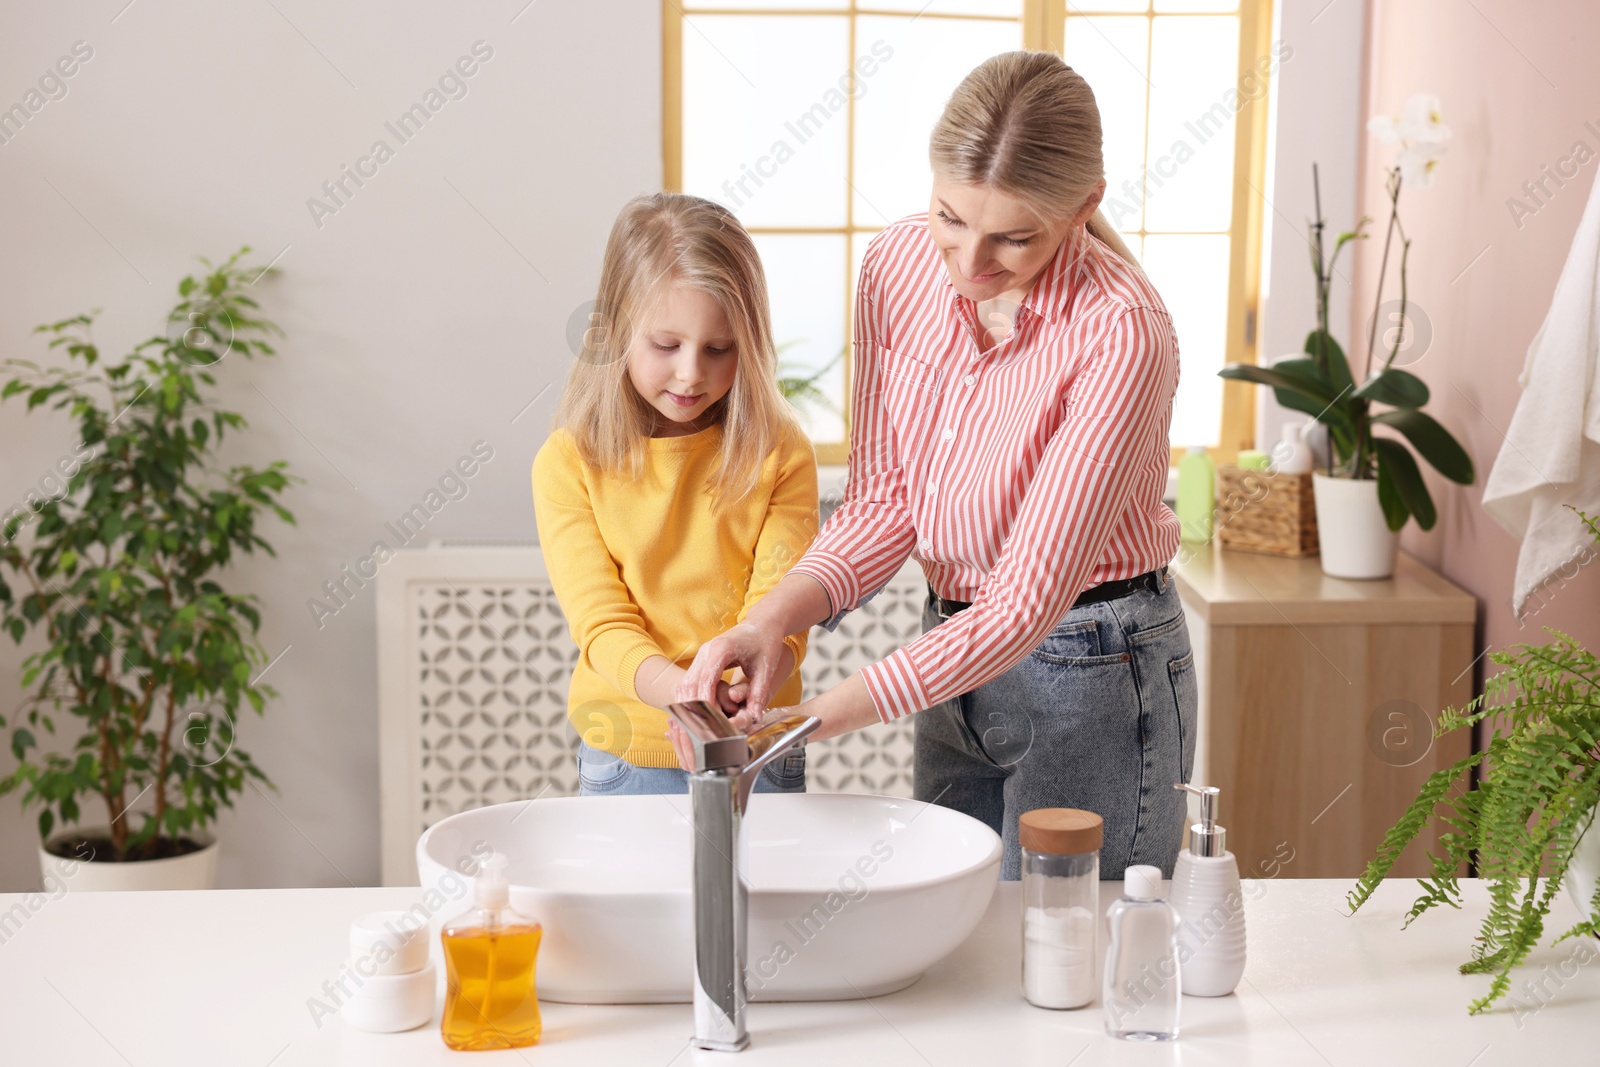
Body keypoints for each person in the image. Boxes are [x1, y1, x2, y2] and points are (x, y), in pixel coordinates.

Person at [677, 52, 1197, 879]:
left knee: (1072, 956)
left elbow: (1023, 602)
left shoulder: (1121, 332)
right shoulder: (896, 267)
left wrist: (816, 716)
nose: (966, 261)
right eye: (950, 216)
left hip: (1091, 666)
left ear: (1085, 207)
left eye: (1014, 238)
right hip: (949, 648)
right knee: (954, 945)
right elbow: (887, 501)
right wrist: (772, 618)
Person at [533, 192, 818, 796]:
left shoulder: (780, 451)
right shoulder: (569, 463)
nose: (692, 373)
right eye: (666, 346)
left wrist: (746, 685)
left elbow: (785, 611)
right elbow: (604, 627)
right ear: (612, 334)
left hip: (755, 747)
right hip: (632, 756)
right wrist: (690, 696)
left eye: (720, 349)